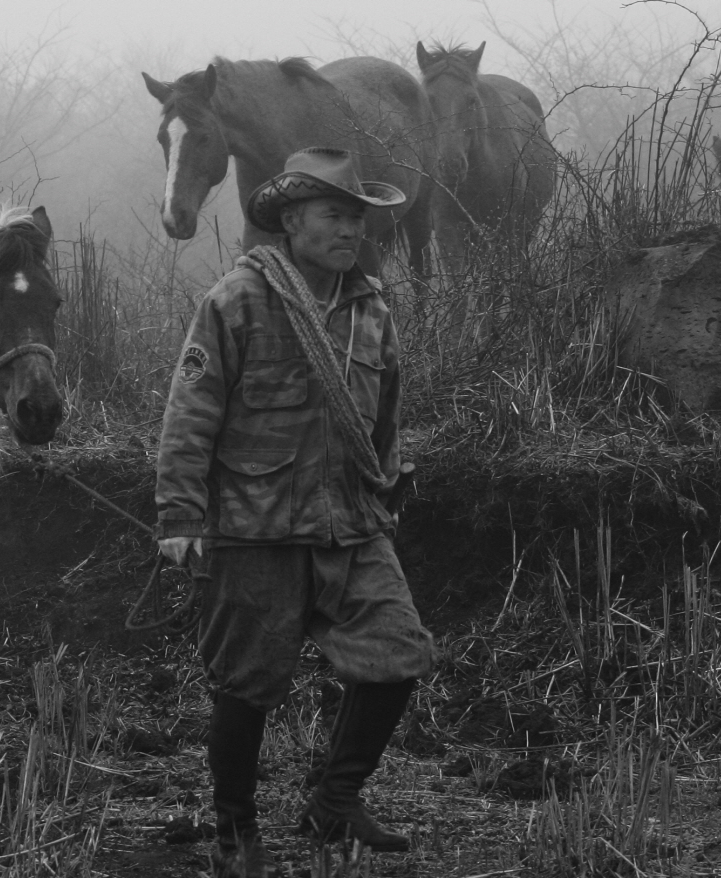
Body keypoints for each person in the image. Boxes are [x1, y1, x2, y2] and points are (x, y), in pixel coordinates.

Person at [154, 147, 435, 877]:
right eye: (335, 215)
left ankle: (334, 802)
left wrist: (390, 474)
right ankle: (235, 830)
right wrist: (181, 516)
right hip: (255, 526)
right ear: (291, 219)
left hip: (350, 525)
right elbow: (191, 412)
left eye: (358, 219)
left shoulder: (371, 306)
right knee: (246, 689)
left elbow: (386, 413)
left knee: (399, 656)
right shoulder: (238, 299)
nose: (351, 231)